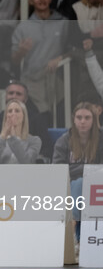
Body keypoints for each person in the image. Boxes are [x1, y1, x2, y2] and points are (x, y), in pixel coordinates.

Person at [11, 0, 68, 115]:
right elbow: (14, 60)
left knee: (59, 117)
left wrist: (61, 58)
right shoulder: (22, 27)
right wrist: (22, 51)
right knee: (41, 119)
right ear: (31, 1)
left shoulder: (64, 23)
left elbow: (73, 49)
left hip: (57, 81)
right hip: (31, 83)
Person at [53, 102, 103, 242]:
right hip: (70, 184)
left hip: (98, 184)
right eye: (79, 117)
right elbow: (58, 168)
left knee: (81, 183)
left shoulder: (101, 139)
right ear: (73, 119)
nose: (82, 122)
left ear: (94, 120)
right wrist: (87, 168)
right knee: (78, 184)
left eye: (87, 118)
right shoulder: (64, 141)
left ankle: (75, 232)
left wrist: (78, 169)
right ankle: (77, 232)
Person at [0, 80, 53, 159]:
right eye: (11, 93)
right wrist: (3, 136)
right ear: (5, 96)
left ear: (25, 99)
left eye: (18, 94)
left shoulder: (37, 120)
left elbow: (46, 150)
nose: (14, 96)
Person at [0, 99, 42, 163]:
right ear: (6, 116)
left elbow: (27, 162)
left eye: (17, 111)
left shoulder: (34, 141)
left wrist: (13, 138)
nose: (13, 114)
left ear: (24, 116)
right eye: (10, 111)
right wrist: (3, 136)